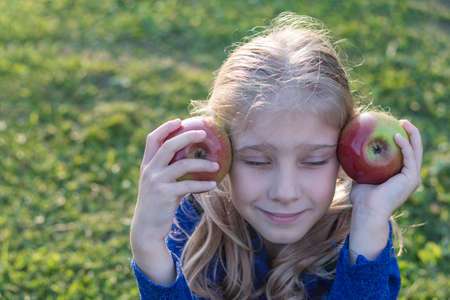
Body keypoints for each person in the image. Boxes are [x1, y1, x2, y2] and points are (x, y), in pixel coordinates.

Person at [129, 12, 423, 300]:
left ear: (345, 154)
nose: (285, 192)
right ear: (223, 153)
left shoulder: (358, 237)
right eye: (257, 161)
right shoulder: (195, 224)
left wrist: (370, 220)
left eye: (314, 160)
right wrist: (149, 248)